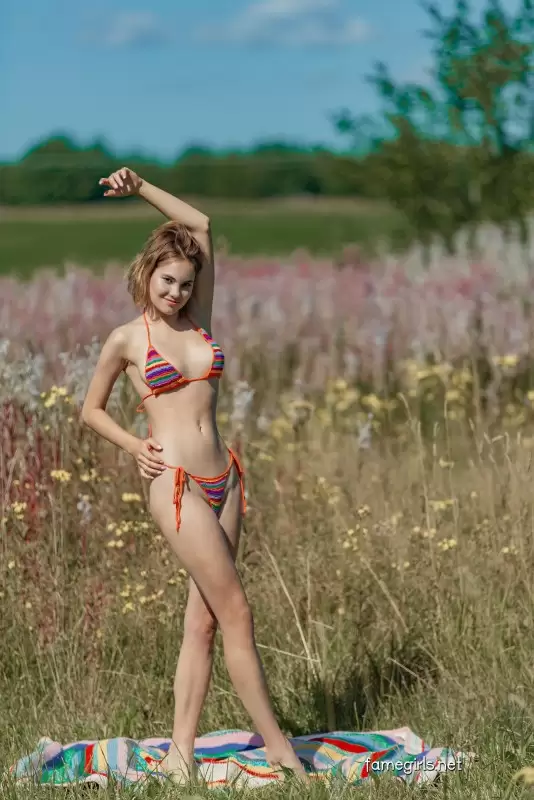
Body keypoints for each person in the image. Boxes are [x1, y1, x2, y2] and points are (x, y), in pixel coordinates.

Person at [81, 168, 308, 785]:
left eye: (185, 284)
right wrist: (135, 446)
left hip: (224, 478)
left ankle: (181, 755)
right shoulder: (127, 340)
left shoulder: (198, 318)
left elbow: (202, 224)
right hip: (176, 483)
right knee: (237, 611)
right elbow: (91, 410)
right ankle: (280, 749)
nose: (177, 293)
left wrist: (141, 187)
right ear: (146, 273)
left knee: (204, 620)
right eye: (167, 281)